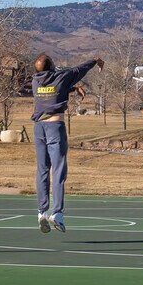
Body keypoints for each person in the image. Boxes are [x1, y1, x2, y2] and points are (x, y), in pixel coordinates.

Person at [31, 53, 104, 233]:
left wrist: (74, 87)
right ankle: (57, 213)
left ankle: (41, 212)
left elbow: (56, 85)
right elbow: (79, 69)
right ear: (52, 66)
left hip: (38, 128)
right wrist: (95, 61)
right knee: (59, 170)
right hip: (55, 127)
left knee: (42, 170)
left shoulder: (36, 81)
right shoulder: (61, 77)